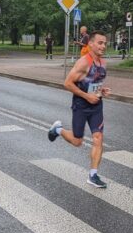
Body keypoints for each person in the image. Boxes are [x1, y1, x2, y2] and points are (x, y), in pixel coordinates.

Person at [48, 31, 112, 188]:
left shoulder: (103, 63)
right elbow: (68, 83)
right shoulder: (83, 62)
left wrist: (102, 91)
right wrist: (86, 96)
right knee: (77, 141)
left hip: (96, 105)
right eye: (100, 43)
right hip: (81, 105)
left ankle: (93, 175)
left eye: (105, 43)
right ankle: (58, 130)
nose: (103, 46)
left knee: (98, 138)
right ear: (90, 43)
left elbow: (94, 82)